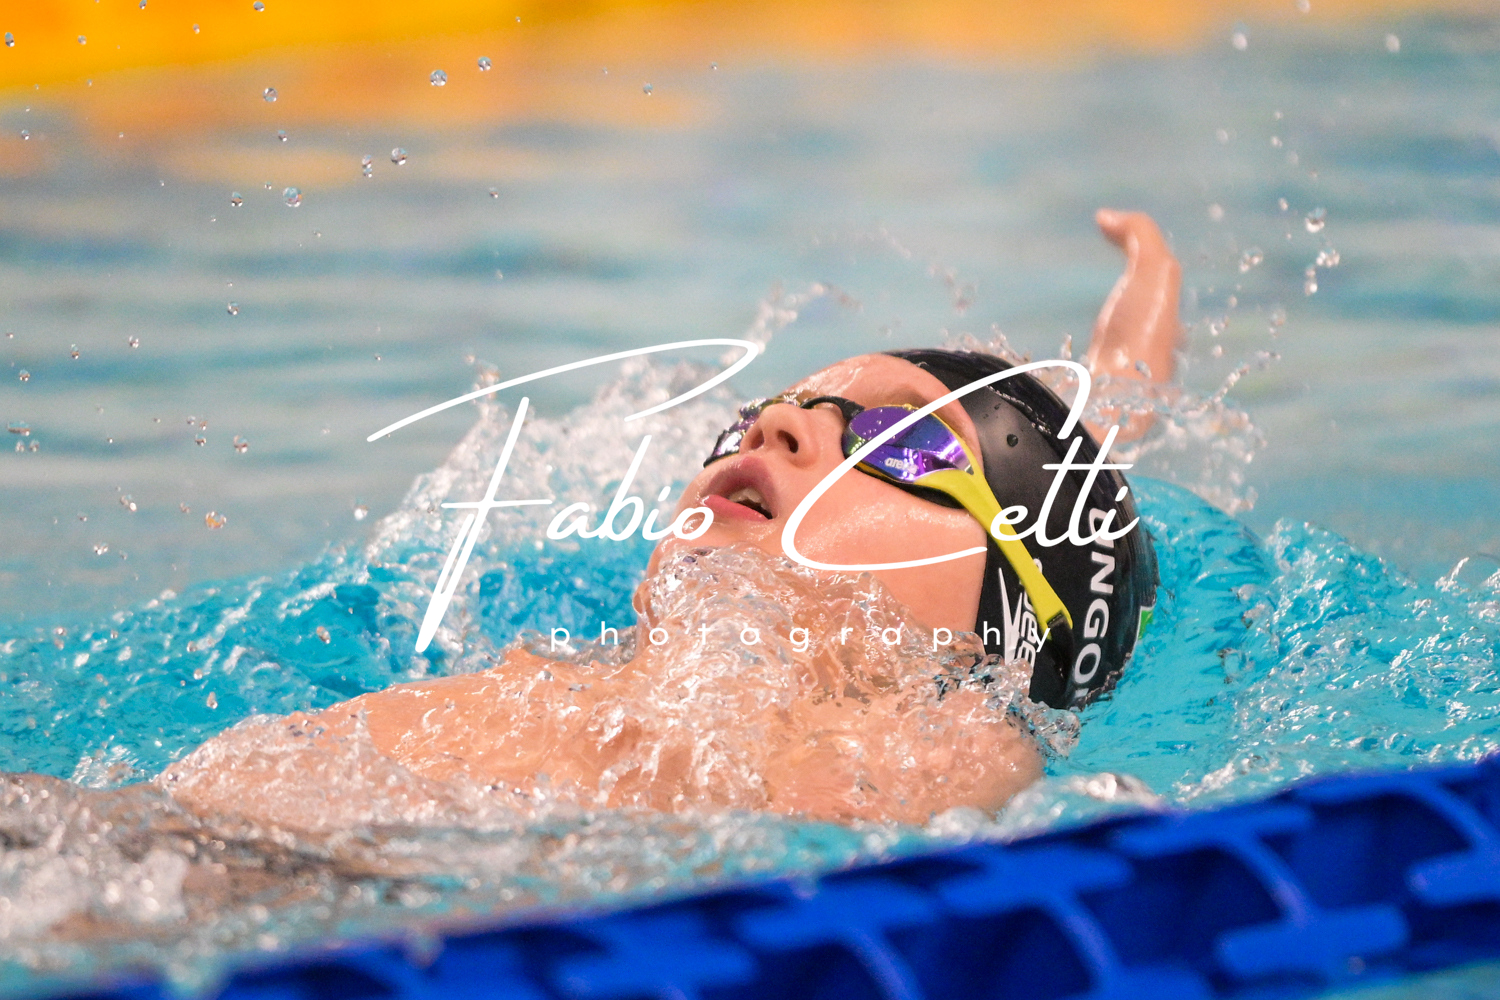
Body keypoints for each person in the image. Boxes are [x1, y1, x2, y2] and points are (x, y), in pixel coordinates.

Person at [159, 209, 1182, 830]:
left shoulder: (941, 744)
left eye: (901, 441)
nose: (778, 422)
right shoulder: (603, 685)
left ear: (1000, 630)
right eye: (762, 412)